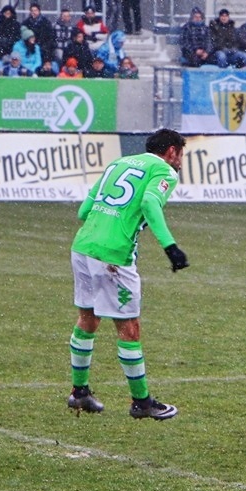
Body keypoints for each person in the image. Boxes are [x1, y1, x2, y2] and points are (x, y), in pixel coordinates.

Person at [67, 128, 190, 418]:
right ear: (171, 151)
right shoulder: (165, 171)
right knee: (129, 328)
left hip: (83, 246)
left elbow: (84, 210)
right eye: (181, 155)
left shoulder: (118, 163)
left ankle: (79, 392)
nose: (181, 162)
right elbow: (149, 202)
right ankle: (142, 403)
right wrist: (170, 247)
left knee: (88, 319)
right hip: (113, 256)